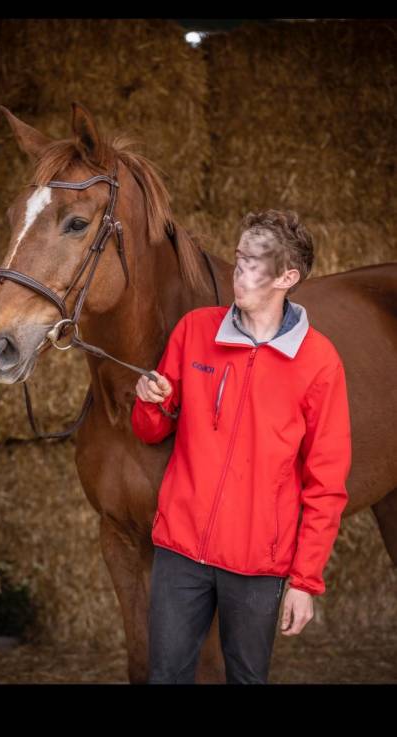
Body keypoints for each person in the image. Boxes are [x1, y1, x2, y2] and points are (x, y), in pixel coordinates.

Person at [131, 209, 352, 684]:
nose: (239, 274)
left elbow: (327, 483)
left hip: (258, 563)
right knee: (164, 675)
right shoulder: (194, 331)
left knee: (247, 679)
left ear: (287, 277)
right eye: (238, 259)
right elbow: (152, 430)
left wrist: (305, 581)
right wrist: (152, 402)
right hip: (180, 550)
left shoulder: (319, 362)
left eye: (255, 264)